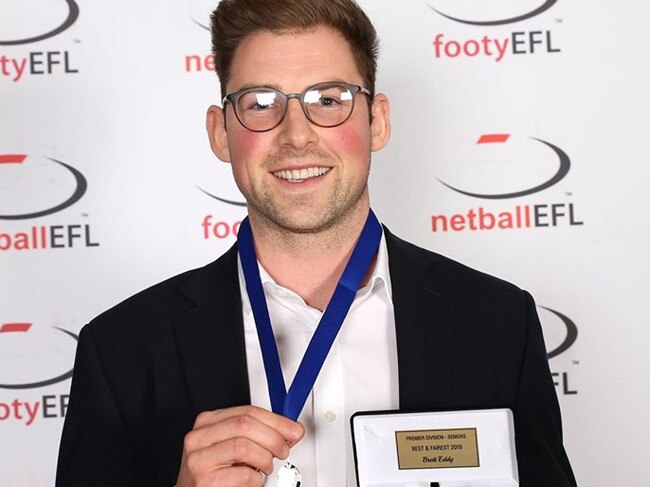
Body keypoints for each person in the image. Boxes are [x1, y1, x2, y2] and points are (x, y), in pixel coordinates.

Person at [56, 0, 577, 486]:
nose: (296, 135)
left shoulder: (497, 323)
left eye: (329, 100)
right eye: (260, 103)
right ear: (221, 133)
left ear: (377, 121)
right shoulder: (122, 350)